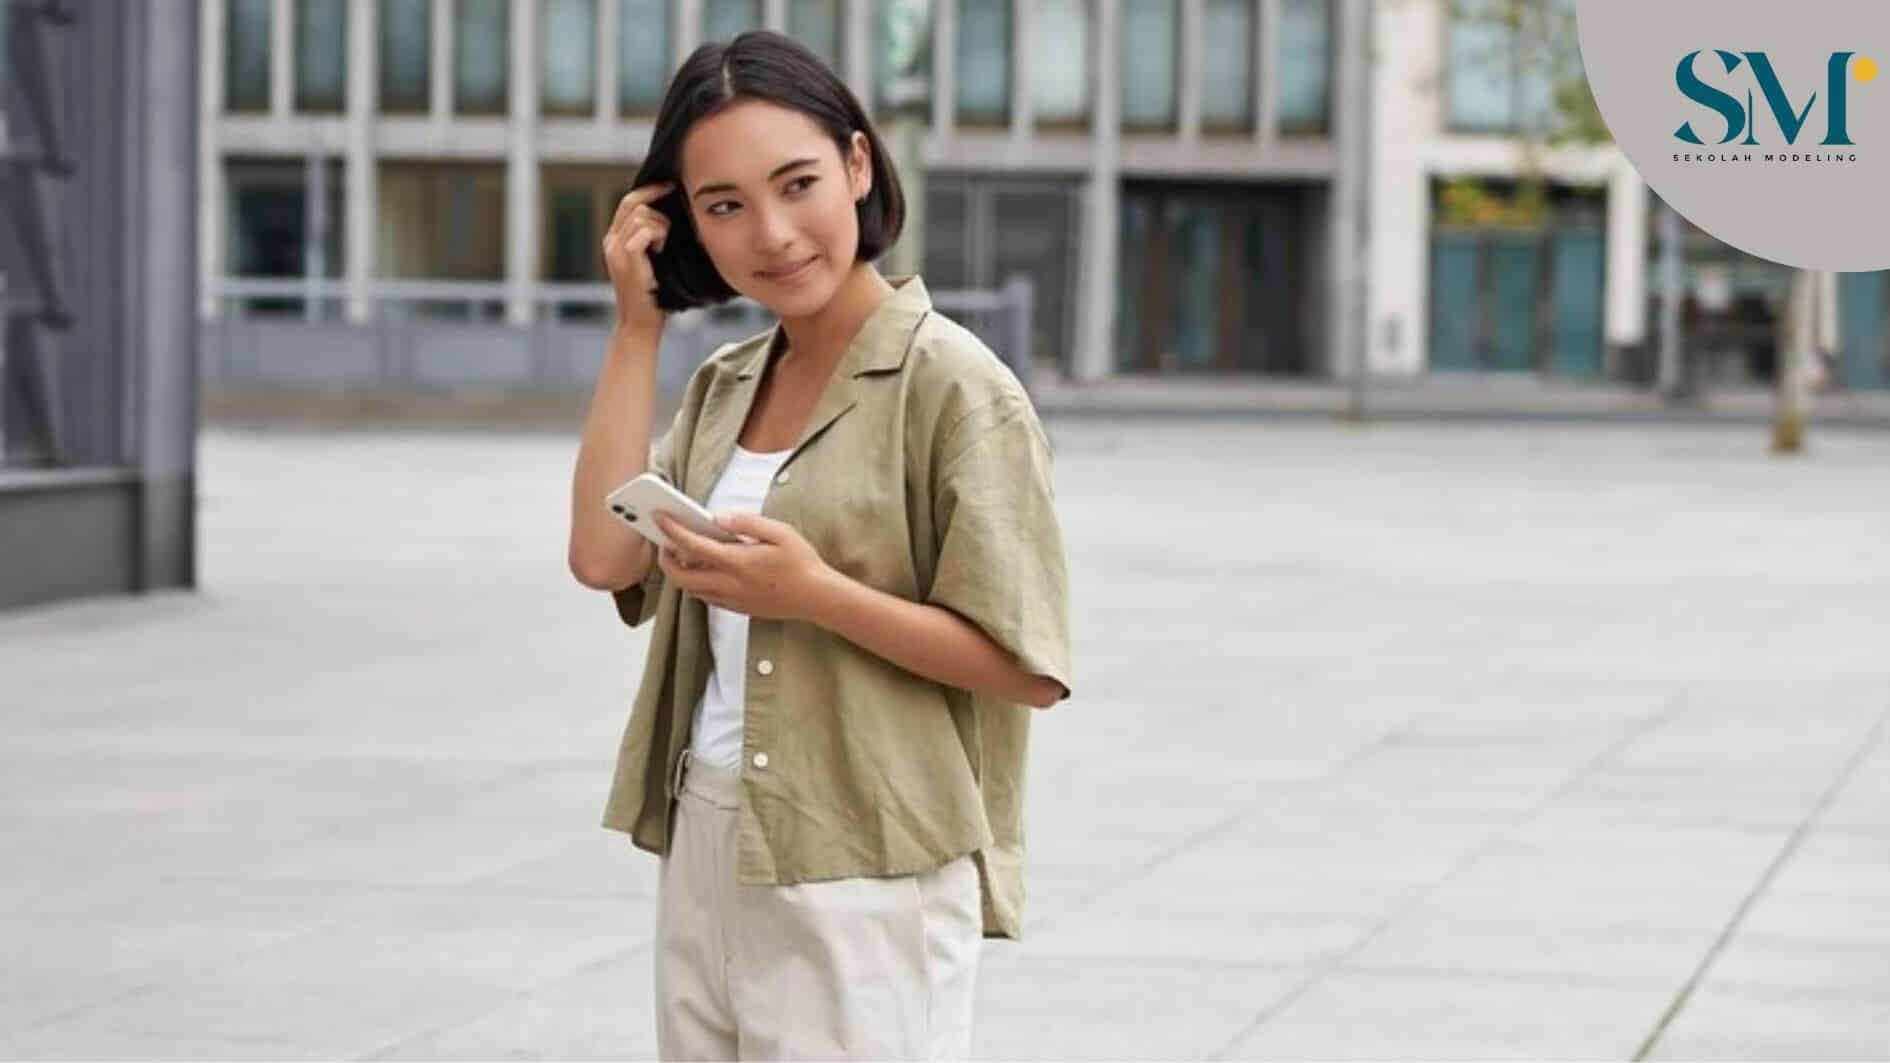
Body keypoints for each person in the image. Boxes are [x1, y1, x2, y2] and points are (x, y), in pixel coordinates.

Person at [564, 29, 1073, 1062]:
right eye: (725, 206)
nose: (774, 233)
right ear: (683, 224)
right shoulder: (725, 386)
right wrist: (637, 329)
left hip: (867, 862)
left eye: (798, 183)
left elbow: (1029, 667)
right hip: (708, 835)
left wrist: (814, 593)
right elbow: (604, 558)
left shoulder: (957, 388)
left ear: (857, 164)